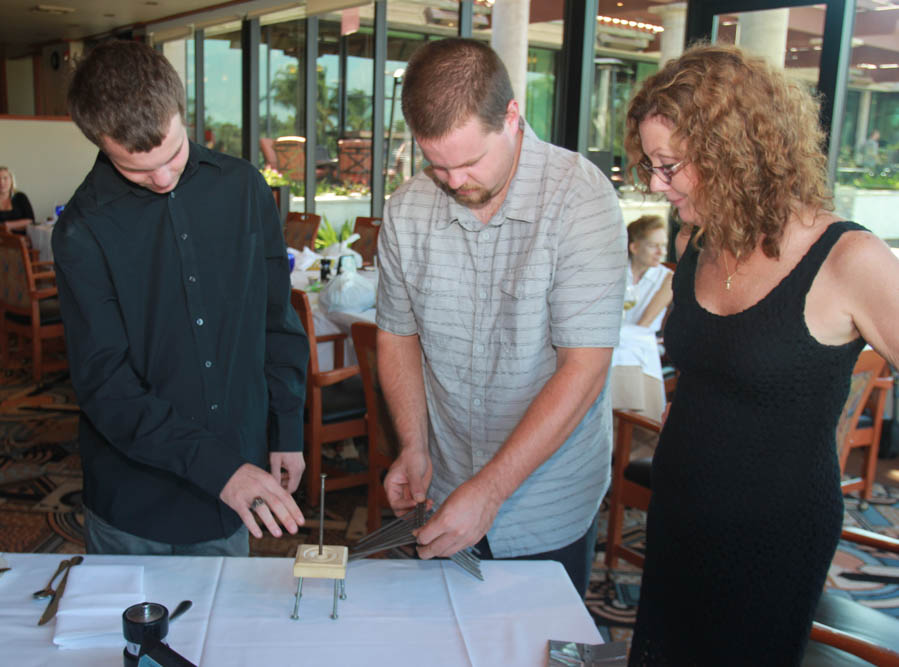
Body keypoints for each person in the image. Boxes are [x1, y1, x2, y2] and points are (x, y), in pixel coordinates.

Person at [623, 43, 899, 665]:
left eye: (669, 165)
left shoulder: (849, 259)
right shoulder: (700, 239)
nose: (654, 183)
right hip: (680, 507)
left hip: (773, 534)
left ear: (734, 153)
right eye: (648, 164)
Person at [376, 38, 626, 598]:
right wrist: (414, 445)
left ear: (512, 116)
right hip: (442, 486)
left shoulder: (580, 199)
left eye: (468, 162)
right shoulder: (407, 209)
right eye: (436, 164)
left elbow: (583, 368)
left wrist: (490, 492)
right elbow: (397, 337)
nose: (454, 181)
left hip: (548, 500)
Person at [52, 40, 309, 556]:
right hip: (136, 501)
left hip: (234, 494)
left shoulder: (244, 188)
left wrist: (286, 428)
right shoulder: (82, 231)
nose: (164, 178)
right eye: (137, 169)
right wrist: (221, 471)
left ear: (182, 110)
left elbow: (275, 322)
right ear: (100, 144)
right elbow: (106, 386)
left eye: (172, 153)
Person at [609, 215, 673, 427]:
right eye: (654, 245)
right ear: (634, 247)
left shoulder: (668, 279)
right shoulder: (615, 271)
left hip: (644, 343)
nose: (661, 252)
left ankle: (626, 430)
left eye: (663, 246)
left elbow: (644, 325)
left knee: (620, 350)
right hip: (617, 339)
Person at [0, 166, 35, 233]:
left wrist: (5, 225)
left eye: (5, 178)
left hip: (19, 240)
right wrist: (18, 225)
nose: (1, 182)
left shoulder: (20, 197)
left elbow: (30, 220)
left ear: (11, 180)